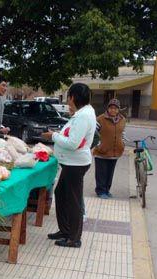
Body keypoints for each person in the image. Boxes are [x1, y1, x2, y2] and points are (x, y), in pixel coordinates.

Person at [41, 83, 96, 248]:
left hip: (76, 164)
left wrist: (54, 136)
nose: (67, 100)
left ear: (73, 97)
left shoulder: (83, 116)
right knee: (61, 193)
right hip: (71, 162)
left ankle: (74, 237)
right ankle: (65, 230)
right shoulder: (83, 113)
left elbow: (73, 143)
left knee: (73, 200)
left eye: (68, 96)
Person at [93, 98, 126, 198]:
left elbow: (123, 133)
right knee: (101, 173)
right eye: (111, 108)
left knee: (110, 173)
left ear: (118, 109)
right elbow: (93, 133)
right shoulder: (100, 119)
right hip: (101, 151)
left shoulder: (122, 120)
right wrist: (97, 144)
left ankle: (107, 190)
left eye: (115, 108)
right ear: (108, 108)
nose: (113, 110)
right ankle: (100, 191)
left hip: (115, 151)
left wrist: (122, 143)